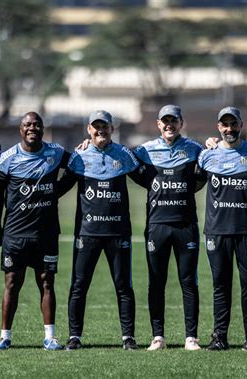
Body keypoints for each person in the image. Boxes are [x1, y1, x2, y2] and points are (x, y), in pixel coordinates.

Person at [61, 110, 141, 350]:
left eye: (104, 126)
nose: (100, 130)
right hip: (87, 233)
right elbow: (60, 187)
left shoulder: (125, 155)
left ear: (112, 129)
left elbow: (149, 178)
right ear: (89, 130)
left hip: (118, 233)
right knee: (79, 286)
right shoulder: (79, 156)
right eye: (96, 127)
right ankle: (75, 336)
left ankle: (128, 337)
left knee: (124, 286)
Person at [0, 112, 70, 351]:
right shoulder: (7, 159)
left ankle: (50, 337)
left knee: (46, 282)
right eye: (27, 125)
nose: (32, 128)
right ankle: (4, 336)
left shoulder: (55, 153)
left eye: (36, 124)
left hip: (46, 233)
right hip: (15, 234)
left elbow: (77, 166)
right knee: (12, 282)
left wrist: (56, 190)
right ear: (20, 129)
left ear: (43, 128)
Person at [133, 104, 204, 351]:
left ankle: (191, 337)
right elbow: (122, 159)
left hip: (186, 226)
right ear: (158, 124)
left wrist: (214, 142)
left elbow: (203, 175)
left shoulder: (195, 149)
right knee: (156, 282)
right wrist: (87, 143)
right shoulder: (144, 150)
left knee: (188, 281)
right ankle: (158, 337)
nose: (169, 125)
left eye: (173, 120)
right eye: (165, 121)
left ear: (181, 123)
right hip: (157, 226)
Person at [198, 107, 247, 351]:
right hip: (217, 231)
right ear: (219, 127)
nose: (229, 129)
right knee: (221, 286)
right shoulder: (206, 155)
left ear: (241, 125)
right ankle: (220, 337)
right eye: (224, 125)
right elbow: (188, 183)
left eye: (233, 124)